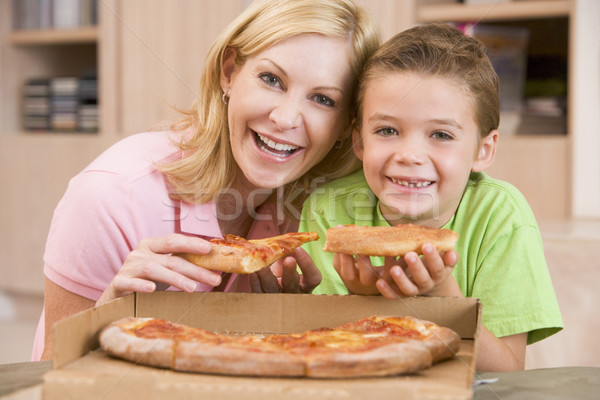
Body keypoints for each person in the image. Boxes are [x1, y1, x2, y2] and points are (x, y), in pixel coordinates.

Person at [33, 0, 380, 361]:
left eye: (323, 99)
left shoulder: (328, 209)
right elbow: (50, 378)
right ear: (229, 72)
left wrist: (291, 322)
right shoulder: (111, 193)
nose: (285, 117)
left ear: (346, 126)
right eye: (271, 79)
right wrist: (108, 314)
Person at [299, 23, 563, 372]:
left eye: (440, 134)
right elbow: (321, 351)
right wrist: (362, 300)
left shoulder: (500, 214)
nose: (410, 155)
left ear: (483, 150)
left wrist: (443, 296)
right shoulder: (328, 209)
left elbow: (506, 371)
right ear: (359, 140)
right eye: (387, 130)